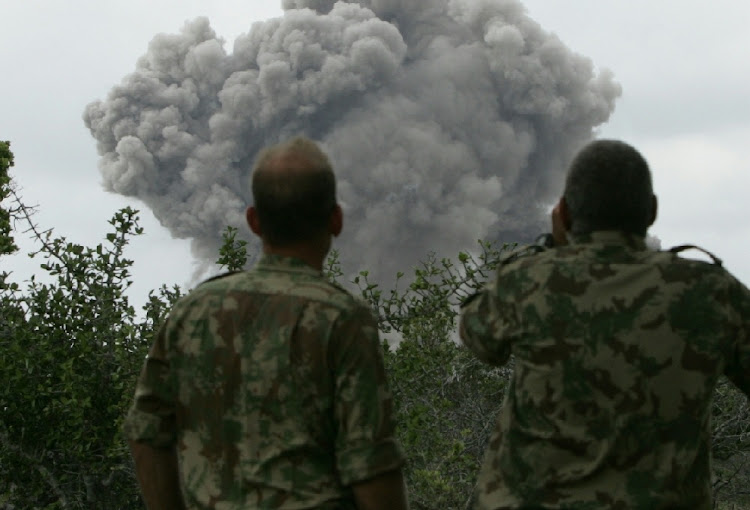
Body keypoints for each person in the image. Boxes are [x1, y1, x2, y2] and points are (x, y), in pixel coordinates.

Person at [460, 139, 750, 509]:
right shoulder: (710, 292)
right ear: (652, 211)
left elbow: (476, 335)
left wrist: (550, 249)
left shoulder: (529, 282)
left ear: (563, 213)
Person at [123, 136, 409, 510]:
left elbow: (145, 431)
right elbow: (369, 462)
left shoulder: (193, 311)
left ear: (254, 221)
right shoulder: (342, 319)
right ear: (336, 219)